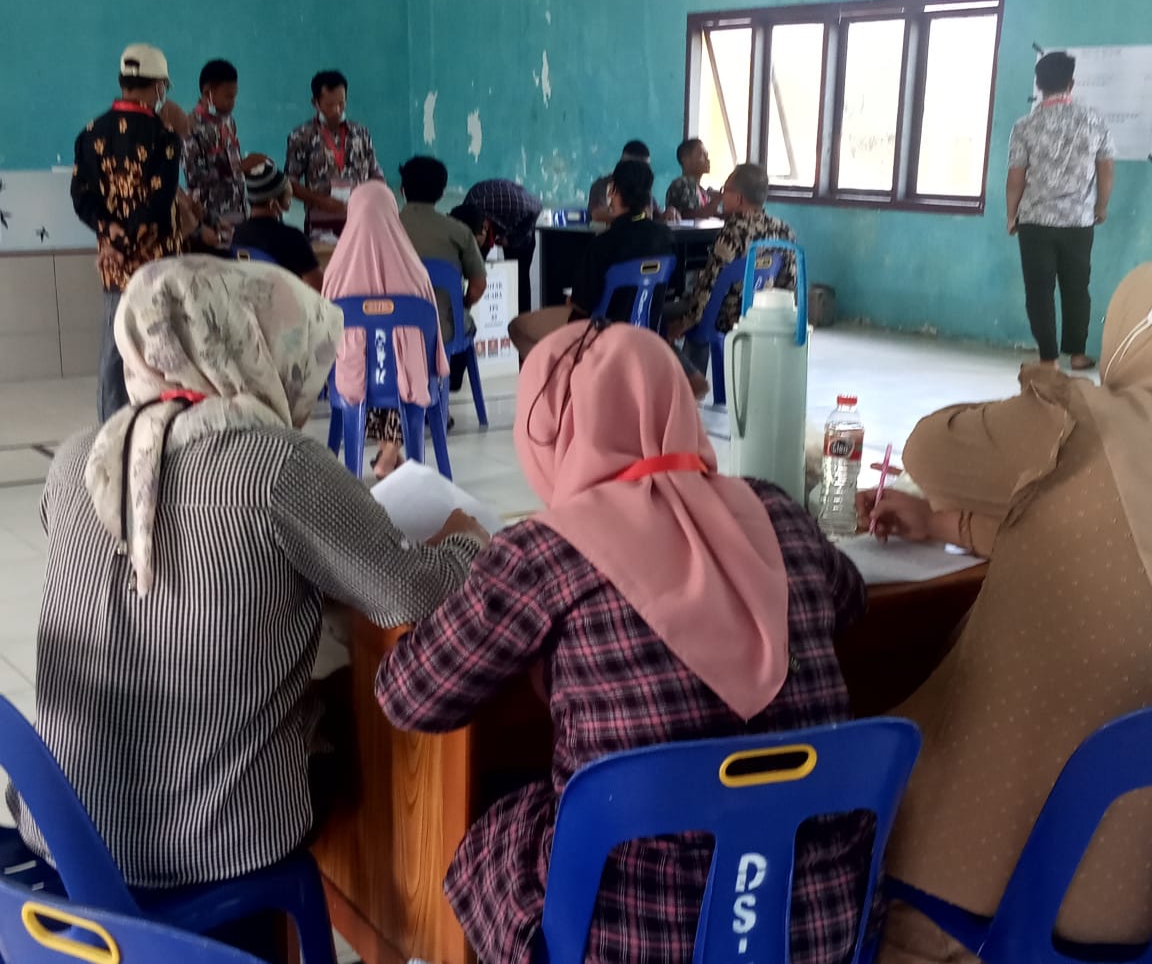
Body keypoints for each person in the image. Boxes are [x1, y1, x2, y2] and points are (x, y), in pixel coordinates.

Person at [378, 321, 874, 964]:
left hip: (635, 933)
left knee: (499, 827)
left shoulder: (545, 552)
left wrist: (470, 569)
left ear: (552, 429)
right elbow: (852, 600)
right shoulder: (776, 510)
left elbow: (410, 697)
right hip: (816, 920)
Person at [9, 255, 488, 896]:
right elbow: (413, 590)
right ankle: (380, 908)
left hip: (67, 834)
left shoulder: (78, 459)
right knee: (363, 707)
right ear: (247, 342)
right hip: (215, 842)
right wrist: (467, 544)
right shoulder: (273, 464)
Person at [858, 264, 1152, 964]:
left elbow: (931, 447)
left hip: (983, 903)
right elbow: (1096, 543)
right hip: (1135, 911)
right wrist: (944, 525)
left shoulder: (1086, 422)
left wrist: (1066, 412)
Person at [71, 43, 183, 423]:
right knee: (162, 348)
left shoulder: (89, 133)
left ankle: (111, 433)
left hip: (113, 264)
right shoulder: (164, 136)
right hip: (155, 263)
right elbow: (157, 203)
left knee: (114, 351)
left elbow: (81, 197)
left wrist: (111, 239)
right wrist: (128, 241)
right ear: (157, 87)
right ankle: (157, 430)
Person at [323, 180, 449, 479]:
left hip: (352, 383)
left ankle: (388, 456)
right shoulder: (415, 273)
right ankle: (391, 456)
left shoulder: (335, 275)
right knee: (400, 363)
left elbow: (323, 335)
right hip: (407, 382)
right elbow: (432, 341)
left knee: (372, 361)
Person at [1007, 51, 1115, 371]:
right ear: (1071, 83)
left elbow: (1016, 177)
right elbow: (1106, 169)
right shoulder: (1094, 120)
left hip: (1035, 221)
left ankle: (1048, 359)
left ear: (1039, 85)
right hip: (1079, 221)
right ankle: (1078, 355)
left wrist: (1011, 214)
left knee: (1039, 290)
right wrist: (1101, 206)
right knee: (1076, 287)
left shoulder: (1025, 126)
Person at [508, 159, 675, 359]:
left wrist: (572, 300)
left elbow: (581, 304)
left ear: (612, 190)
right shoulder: (666, 237)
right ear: (648, 195)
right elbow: (669, 289)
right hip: (648, 331)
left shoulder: (603, 243)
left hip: (598, 329)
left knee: (518, 327)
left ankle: (562, 382)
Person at [668, 163, 797, 375]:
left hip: (727, 317)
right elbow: (789, 282)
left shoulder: (731, 234)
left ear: (738, 199)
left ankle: (690, 382)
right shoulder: (782, 229)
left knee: (664, 314)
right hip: (763, 315)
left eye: (724, 191)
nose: (721, 195)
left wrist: (685, 322)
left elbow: (708, 289)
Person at [398, 156, 488, 344]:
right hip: (444, 331)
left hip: (394, 330)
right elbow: (478, 286)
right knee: (462, 326)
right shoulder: (460, 232)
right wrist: (461, 305)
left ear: (402, 190)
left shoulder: (383, 230)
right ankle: (452, 374)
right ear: (441, 193)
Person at [285, 70, 385, 237]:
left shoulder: (360, 133)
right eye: (330, 105)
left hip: (359, 219)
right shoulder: (301, 136)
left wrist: (371, 199)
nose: (337, 110)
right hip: (321, 222)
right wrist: (320, 201)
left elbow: (376, 174)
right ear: (315, 102)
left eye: (341, 103)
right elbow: (290, 183)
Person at [182, 59, 269, 250]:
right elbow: (193, 177)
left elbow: (233, 164)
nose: (233, 103)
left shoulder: (228, 122)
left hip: (238, 213)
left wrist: (253, 168)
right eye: (228, 97)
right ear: (207, 93)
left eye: (235, 96)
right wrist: (236, 167)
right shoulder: (189, 126)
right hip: (210, 219)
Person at [231, 161, 322, 290]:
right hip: (287, 306)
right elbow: (319, 288)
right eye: (288, 197)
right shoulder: (293, 238)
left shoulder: (236, 234)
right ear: (273, 204)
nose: (291, 199)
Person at [462, 179, 543, 314]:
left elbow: (537, 207)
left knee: (520, 276)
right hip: (493, 215)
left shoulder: (514, 204)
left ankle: (523, 320)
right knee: (476, 270)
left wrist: (511, 240)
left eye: (478, 242)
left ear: (485, 228)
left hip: (520, 225)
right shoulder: (465, 214)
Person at [587, 139, 676, 224]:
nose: (641, 173)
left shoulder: (644, 186)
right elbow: (597, 215)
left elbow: (654, 214)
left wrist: (668, 214)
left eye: (645, 169)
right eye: (636, 168)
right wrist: (638, 218)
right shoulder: (602, 186)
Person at [665, 138, 722, 219]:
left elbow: (711, 214)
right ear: (685, 159)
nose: (707, 159)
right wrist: (716, 202)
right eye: (701, 155)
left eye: (707, 155)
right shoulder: (682, 184)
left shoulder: (701, 190)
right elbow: (688, 216)